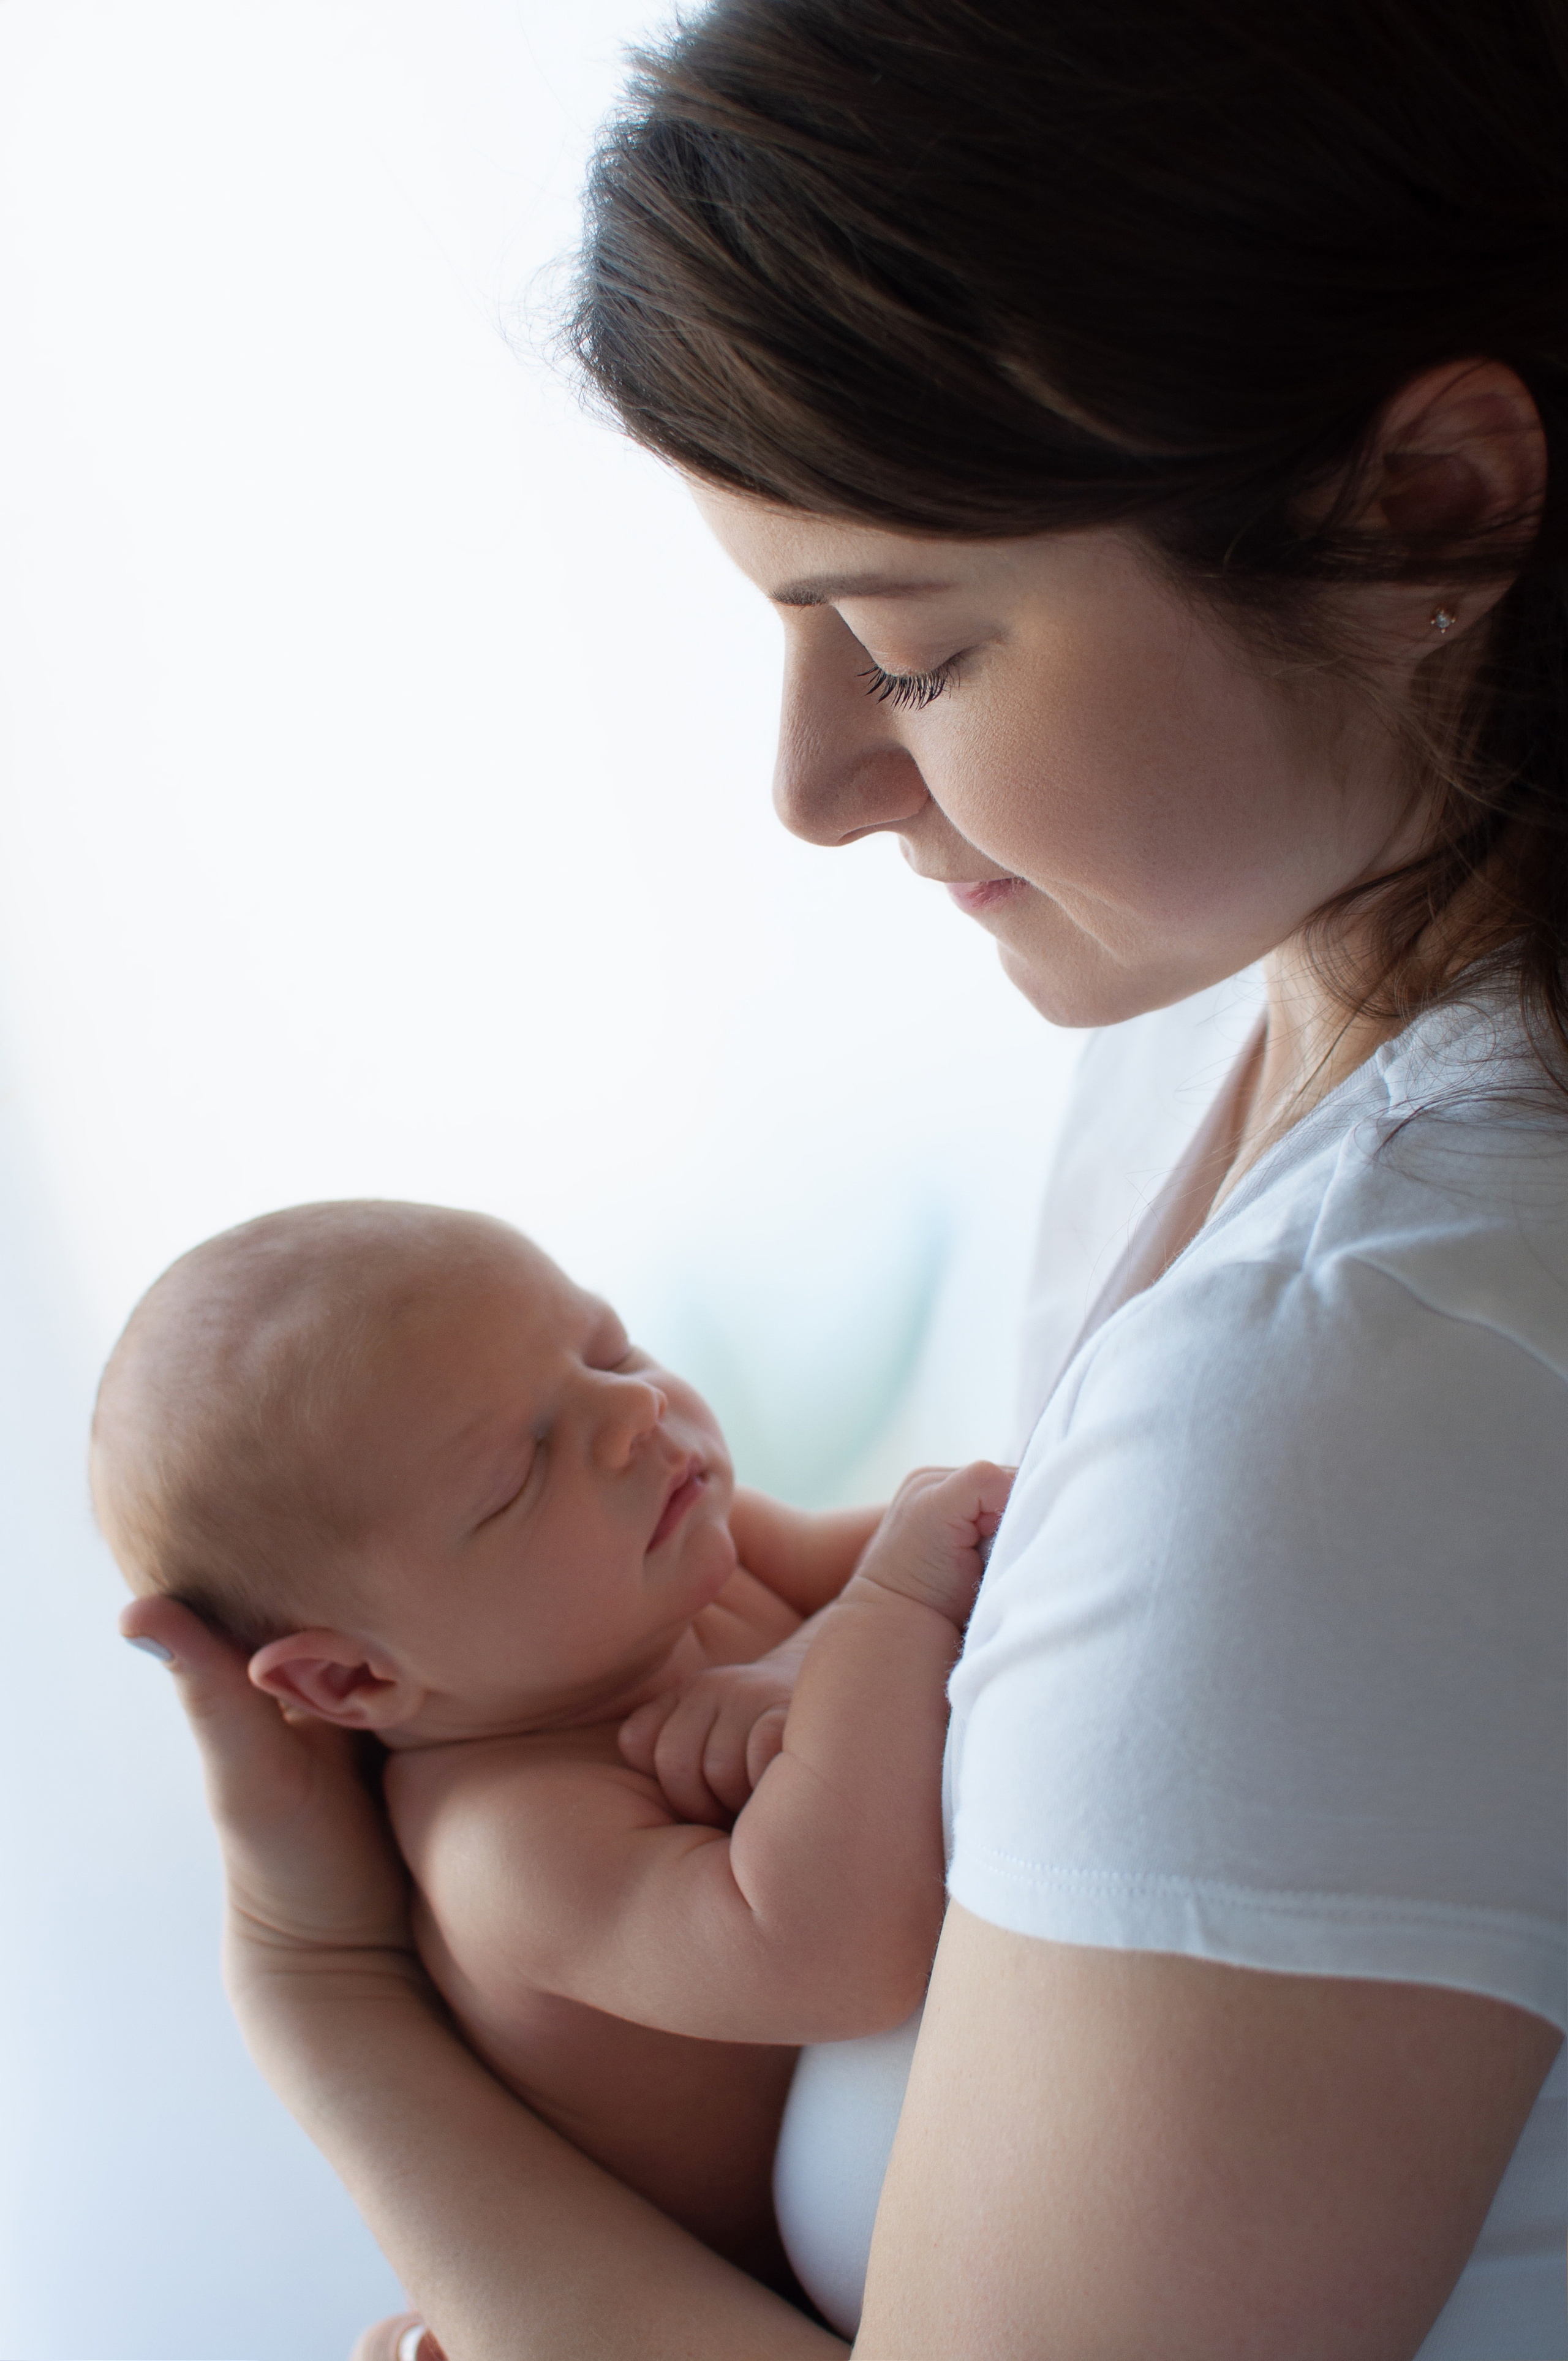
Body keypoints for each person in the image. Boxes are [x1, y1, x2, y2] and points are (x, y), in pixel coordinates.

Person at [120, 1, 1567, 2354]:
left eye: (912, 648)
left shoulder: (1363, 1375)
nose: (805, 779)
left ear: (1430, 508)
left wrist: (324, 2002)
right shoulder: (1218, 1022)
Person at [96, 1199, 1005, 2293]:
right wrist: (882, 1614)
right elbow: (838, 1952)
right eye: (518, 1471)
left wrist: (815, 1652)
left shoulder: (696, 1551)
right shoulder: (509, 1838)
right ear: (354, 1676)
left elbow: (989, 1544)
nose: (635, 1407)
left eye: (606, 1346)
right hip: (822, 2288)